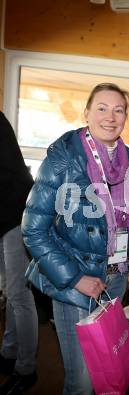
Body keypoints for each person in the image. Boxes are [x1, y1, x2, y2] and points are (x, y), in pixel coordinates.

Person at [22, 83, 129, 395]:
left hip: (115, 277)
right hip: (76, 281)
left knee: (106, 369)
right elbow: (33, 230)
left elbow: (127, 217)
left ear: (126, 117)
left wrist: (128, 255)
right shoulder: (62, 159)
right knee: (82, 381)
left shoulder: (128, 161)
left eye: (119, 110)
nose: (110, 116)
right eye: (102, 108)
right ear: (87, 113)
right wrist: (76, 279)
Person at [0, 111, 38, 394]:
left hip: (16, 214)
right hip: (2, 213)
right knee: (8, 290)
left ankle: (27, 368)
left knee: (19, 295)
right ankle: (8, 352)